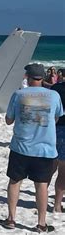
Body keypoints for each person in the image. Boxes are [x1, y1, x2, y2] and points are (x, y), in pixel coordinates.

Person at [0, 63, 63, 233]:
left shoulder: (19, 94)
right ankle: (41, 223)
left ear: (27, 77)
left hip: (21, 146)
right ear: (42, 77)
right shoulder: (54, 95)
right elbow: (56, 117)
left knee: (14, 182)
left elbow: (8, 120)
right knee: (41, 185)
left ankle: (11, 219)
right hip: (45, 148)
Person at [51, 76, 65, 213]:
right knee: (63, 170)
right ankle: (57, 205)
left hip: (54, 129)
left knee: (52, 166)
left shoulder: (55, 89)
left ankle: (41, 196)